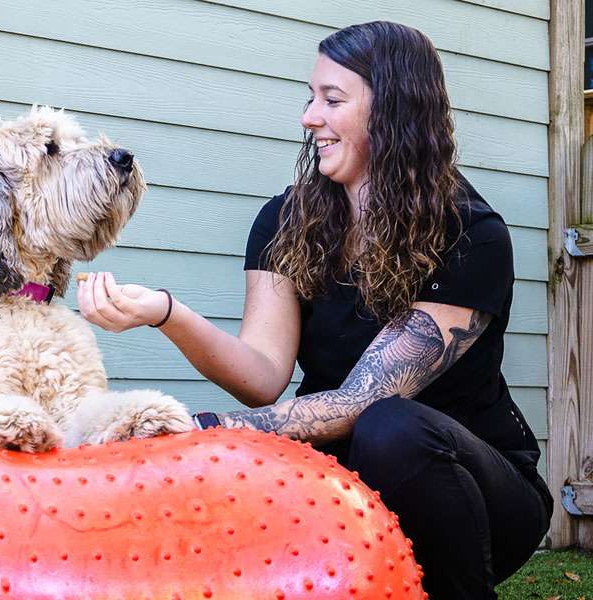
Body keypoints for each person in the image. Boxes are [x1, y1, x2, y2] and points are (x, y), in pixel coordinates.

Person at [76, 20, 552, 599]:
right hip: (342, 480)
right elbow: (262, 377)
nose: (309, 117)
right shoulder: (287, 221)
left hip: (478, 491)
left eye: (332, 99)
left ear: (395, 111)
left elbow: (361, 404)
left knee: (390, 426)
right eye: (310, 97)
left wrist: (200, 431)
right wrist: (166, 312)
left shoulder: (469, 234)